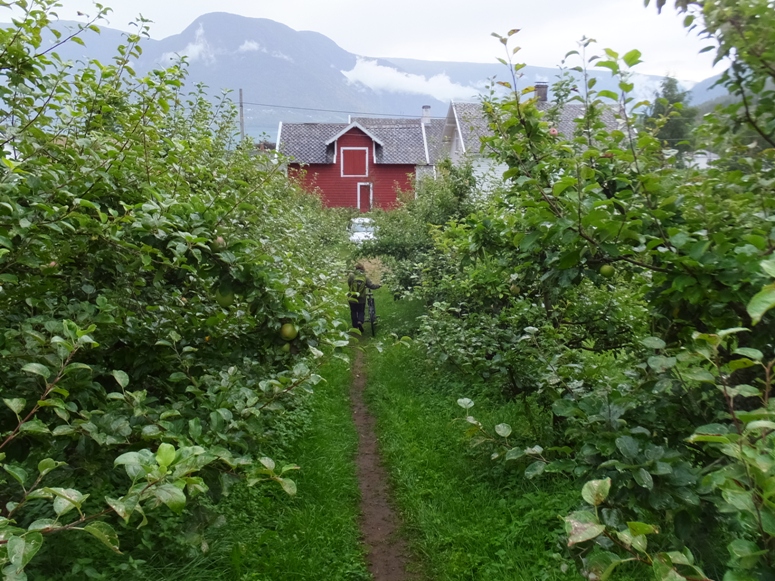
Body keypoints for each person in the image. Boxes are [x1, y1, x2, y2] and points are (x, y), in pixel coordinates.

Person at [347, 263, 380, 333]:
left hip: (352, 297)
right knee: (361, 311)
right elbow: (371, 286)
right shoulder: (365, 277)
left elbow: (349, 284)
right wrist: (378, 286)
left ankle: (355, 326)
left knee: (353, 311)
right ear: (363, 269)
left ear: (356, 269)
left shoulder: (351, 275)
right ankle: (360, 322)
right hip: (361, 298)